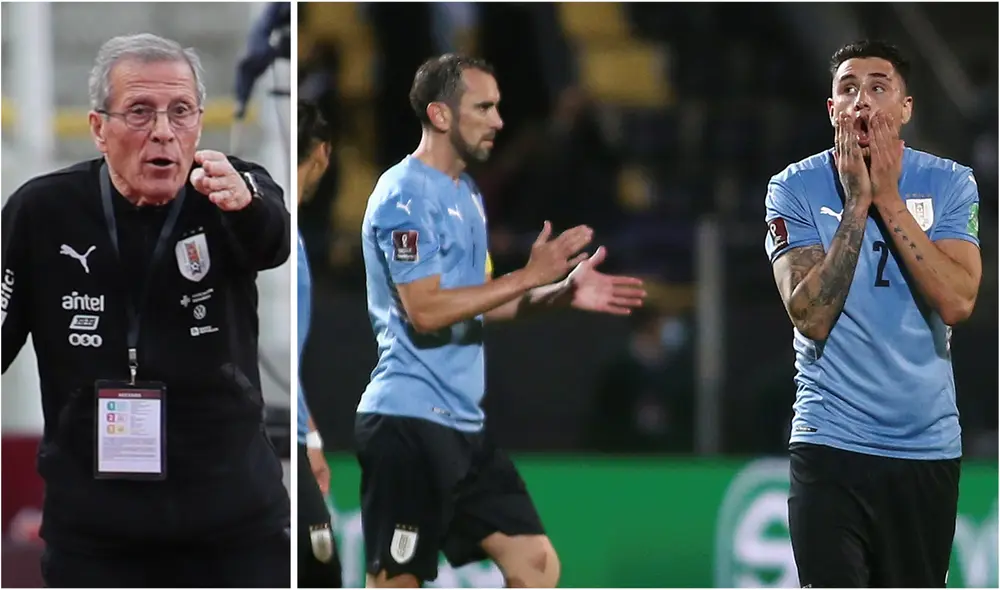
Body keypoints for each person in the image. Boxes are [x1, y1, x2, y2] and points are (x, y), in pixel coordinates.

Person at [1, 33, 292, 587]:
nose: (163, 130)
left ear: (200, 124)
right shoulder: (43, 211)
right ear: (98, 129)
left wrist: (245, 203)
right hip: (97, 538)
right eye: (140, 112)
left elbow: (272, 238)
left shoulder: (232, 187)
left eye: (180, 112)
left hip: (233, 531)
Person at [355, 53, 648, 588]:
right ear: (441, 115)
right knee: (397, 582)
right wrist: (528, 275)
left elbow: (479, 300)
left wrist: (560, 292)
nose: (498, 121)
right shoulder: (404, 194)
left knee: (536, 566)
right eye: (484, 107)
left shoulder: (466, 194)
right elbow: (425, 311)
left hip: (463, 426)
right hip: (409, 422)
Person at [763, 40, 982, 588]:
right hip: (830, 443)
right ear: (832, 110)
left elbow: (958, 301)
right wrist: (857, 204)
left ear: (905, 109)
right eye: (848, 89)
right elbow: (809, 315)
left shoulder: (950, 182)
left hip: (926, 448)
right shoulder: (793, 187)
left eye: (879, 88)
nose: (862, 101)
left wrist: (888, 199)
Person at [296, 100, 344, 588]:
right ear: (324, 155)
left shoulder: (287, 231)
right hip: (264, 439)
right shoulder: (278, 234)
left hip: (284, 435)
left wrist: (310, 437)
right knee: (320, 567)